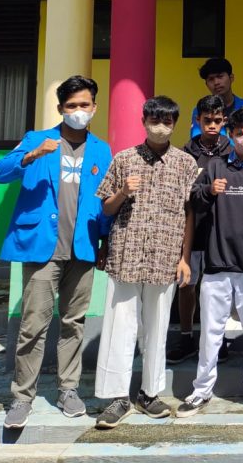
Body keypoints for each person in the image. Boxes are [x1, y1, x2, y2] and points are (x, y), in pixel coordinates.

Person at [0, 75, 112, 430]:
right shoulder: (37, 139)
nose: (78, 111)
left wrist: (105, 242)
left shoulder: (102, 150)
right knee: (33, 325)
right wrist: (31, 156)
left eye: (84, 105)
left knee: (74, 323)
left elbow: (105, 200)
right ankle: (22, 396)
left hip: (83, 247)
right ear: (60, 108)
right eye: (71, 105)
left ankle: (68, 390)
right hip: (42, 247)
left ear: (95, 107)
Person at [93, 96, 197, 430]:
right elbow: (106, 208)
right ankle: (117, 398)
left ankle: (149, 394)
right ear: (144, 121)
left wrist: (184, 259)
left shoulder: (186, 163)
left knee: (157, 327)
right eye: (155, 119)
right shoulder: (123, 159)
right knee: (119, 327)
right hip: (126, 254)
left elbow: (189, 213)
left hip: (165, 257)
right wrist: (123, 191)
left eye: (167, 120)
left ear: (174, 124)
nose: (160, 126)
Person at [178, 106, 243, 418]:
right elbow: (193, 200)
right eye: (240, 133)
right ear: (230, 135)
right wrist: (209, 190)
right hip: (217, 262)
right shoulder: (216, 167)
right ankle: (201, 390)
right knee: (211, 331)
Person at [168, 95, 233, 365]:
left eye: (217, 120)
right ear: (198, 120)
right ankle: (186, 338)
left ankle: (217, 339)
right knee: (188, 284)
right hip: (191, 227)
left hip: (222, 228)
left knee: (219, 287)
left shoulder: (231, 152)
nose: (212, 125)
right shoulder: (186, 152)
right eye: (207, 120)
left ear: (224, 121)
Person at [189, 58, 243, 138]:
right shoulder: (201, 110)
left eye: (220, 76)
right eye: (211, 79)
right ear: (206, 85)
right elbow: (197, 139)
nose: (216, 82)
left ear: (231, 78)